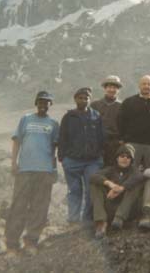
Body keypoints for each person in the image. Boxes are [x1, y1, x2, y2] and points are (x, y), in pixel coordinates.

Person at [5, 91, 59, 256]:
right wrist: (14, 163)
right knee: (18, 207)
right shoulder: (26, 119)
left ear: (51, 105)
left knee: (39, 207)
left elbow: (54, 148)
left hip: (44, 172)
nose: (44, 105)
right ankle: (12, 245)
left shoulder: (54, 124)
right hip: (25, 170)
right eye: (41, 102)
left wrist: (53, 169)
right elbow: (17, 142)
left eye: (47, 102)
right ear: (36, 103)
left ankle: (31, 242)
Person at [58, 87, 104, 224]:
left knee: (91, 191)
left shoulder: (96, 116)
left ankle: (86, 221)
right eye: (81, 98)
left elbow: (101, 137)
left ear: (90, 100)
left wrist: (100, 155)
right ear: (75, 99)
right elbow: (62, 138)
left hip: (92, 161)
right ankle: (73, 221)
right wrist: (63, 158)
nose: (83, 100)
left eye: (86, 98)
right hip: (72, 161)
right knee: (74, 191)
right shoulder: (68, 117)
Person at [90, 144, 145, 239]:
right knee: (95, 184)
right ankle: (101, 223)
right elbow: (93, 176)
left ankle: (119, 218)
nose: (125, 159)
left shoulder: (134, 171)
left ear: (131, 160)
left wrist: (121, 188)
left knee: (136, 185)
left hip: (127, 211)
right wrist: (110, 184)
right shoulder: (110, 169)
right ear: (117, 158)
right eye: (122, 156)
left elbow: (139, 176)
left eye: (128, 157)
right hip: (110, 206)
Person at [117, 75, 150, 169]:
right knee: (131, 171)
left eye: (149, 84)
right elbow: (121, 120)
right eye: (144, 84)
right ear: (139, 85)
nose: (146, 86)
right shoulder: (129, 102)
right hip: (132, 144)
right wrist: (122, 138)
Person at [91, 75, 123, 166]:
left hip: (115, 143)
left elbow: (126, 125)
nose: (112, 90)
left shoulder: (122, 106)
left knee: (114, 168)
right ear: (105, 88)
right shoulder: (95, 105)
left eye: (114, 87)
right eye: (109, 87)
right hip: (98, 143)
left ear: (118, 89)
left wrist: (122, 140)